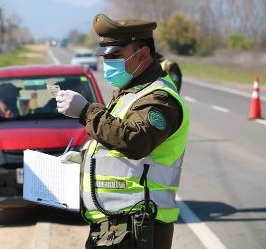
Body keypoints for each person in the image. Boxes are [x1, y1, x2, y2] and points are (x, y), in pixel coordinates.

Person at [56, 14, 189, 249]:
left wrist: (86, 112)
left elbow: (136, 140)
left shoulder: (159, 98)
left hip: (140, 226)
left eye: (115, 55)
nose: (108, 63)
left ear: (143, 54)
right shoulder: (129, 93)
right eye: (105, 57)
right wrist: (84, 162)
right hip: (116, 227)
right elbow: (115, 145)